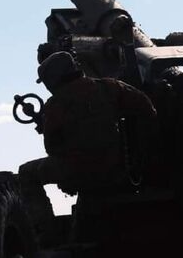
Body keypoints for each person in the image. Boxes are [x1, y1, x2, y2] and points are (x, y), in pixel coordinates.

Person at [18, 51, 156, 236]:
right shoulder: (110, 87)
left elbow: (52, 147)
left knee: (27, 173)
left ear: (52, 80)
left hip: (77, 172)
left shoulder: (56, 104)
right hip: (116, 168)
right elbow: (147, 109)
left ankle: (46, 232)